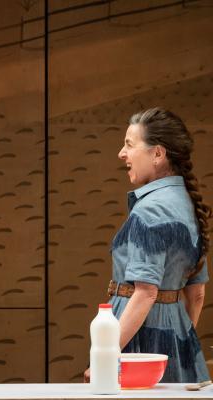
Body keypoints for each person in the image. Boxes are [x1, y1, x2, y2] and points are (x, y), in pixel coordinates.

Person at [85, 107, 211, 383]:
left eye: (129, 145)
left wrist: (106, 358)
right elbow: (197, 294)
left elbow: (145, 293)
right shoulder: (189, 205)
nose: (121, 153)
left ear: (158, 154)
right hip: (178, 336)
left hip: (140, 341)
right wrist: (179, 342)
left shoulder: (150, 210)